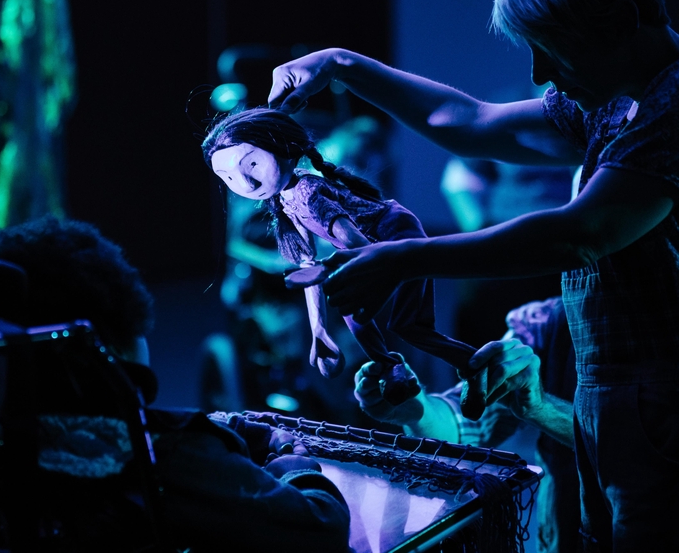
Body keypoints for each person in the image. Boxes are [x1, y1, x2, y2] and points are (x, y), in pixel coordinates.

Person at [268, 0, 679, 551]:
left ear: (622, 21)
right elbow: (468, 120)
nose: (541, 72)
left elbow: (582, 232)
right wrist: (343, 64)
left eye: (552, 45)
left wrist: (402, 259)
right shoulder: (617, 103)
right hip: (632, 423)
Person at [0, 215, 351, 552]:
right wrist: (293, 464)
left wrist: (220, 431)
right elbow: (321, 525)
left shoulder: (0, 451)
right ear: (119, 331)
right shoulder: (164, 458)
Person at [203, 108, 480, 406]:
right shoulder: (286, 202)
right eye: (228, 177)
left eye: (253, 164)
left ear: (284, 148)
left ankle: (458, 368)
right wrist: (318, 330)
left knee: (396, 322)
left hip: (395, 236)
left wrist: (330, 271)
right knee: (385, 320)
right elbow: (309, 263)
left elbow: (359, 246)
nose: (245, 183)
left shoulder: (308, 193)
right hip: (376, 248)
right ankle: (418, 369)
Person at [358, 297, 578, 553]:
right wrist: (417, 411)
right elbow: (464, 430)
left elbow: (631, 448)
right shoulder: (546, 322)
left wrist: (543, 409)